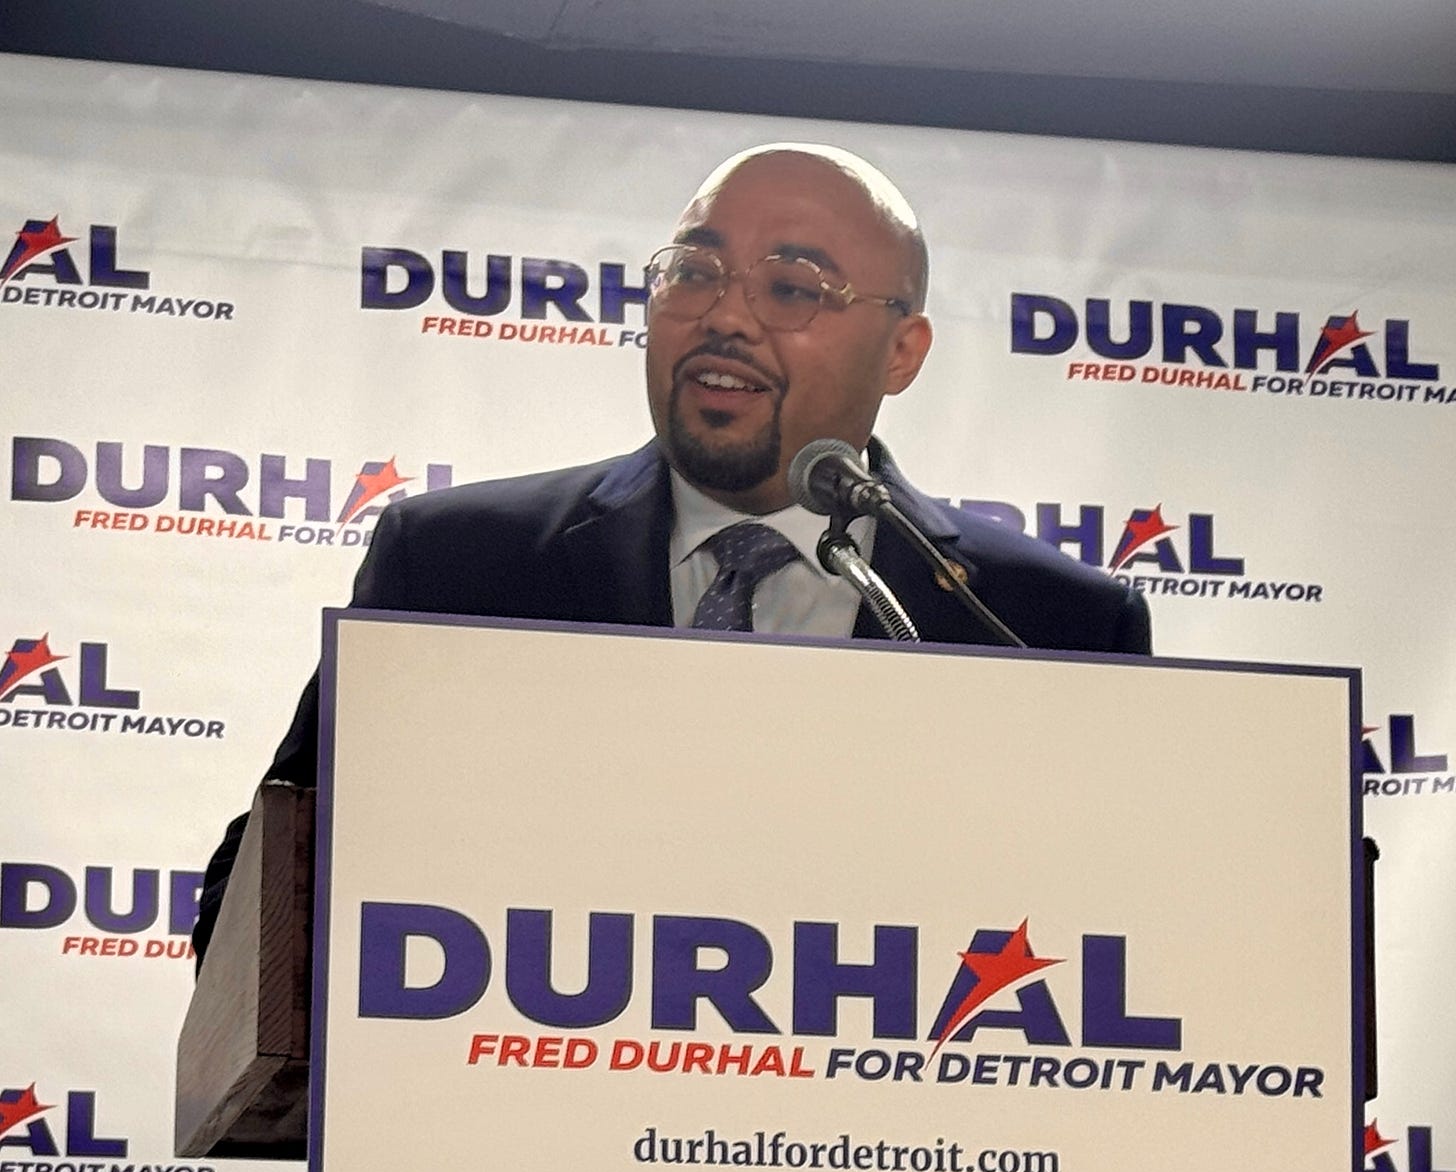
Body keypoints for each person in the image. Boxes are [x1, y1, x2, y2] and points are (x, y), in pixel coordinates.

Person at [192, 143, 1150, 966]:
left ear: (902, 353)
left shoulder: (1049, 625)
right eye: (694, 273)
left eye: (791, 288)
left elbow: (1115, 930)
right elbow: (275, 875)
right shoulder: (456, 567)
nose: (724, 316)